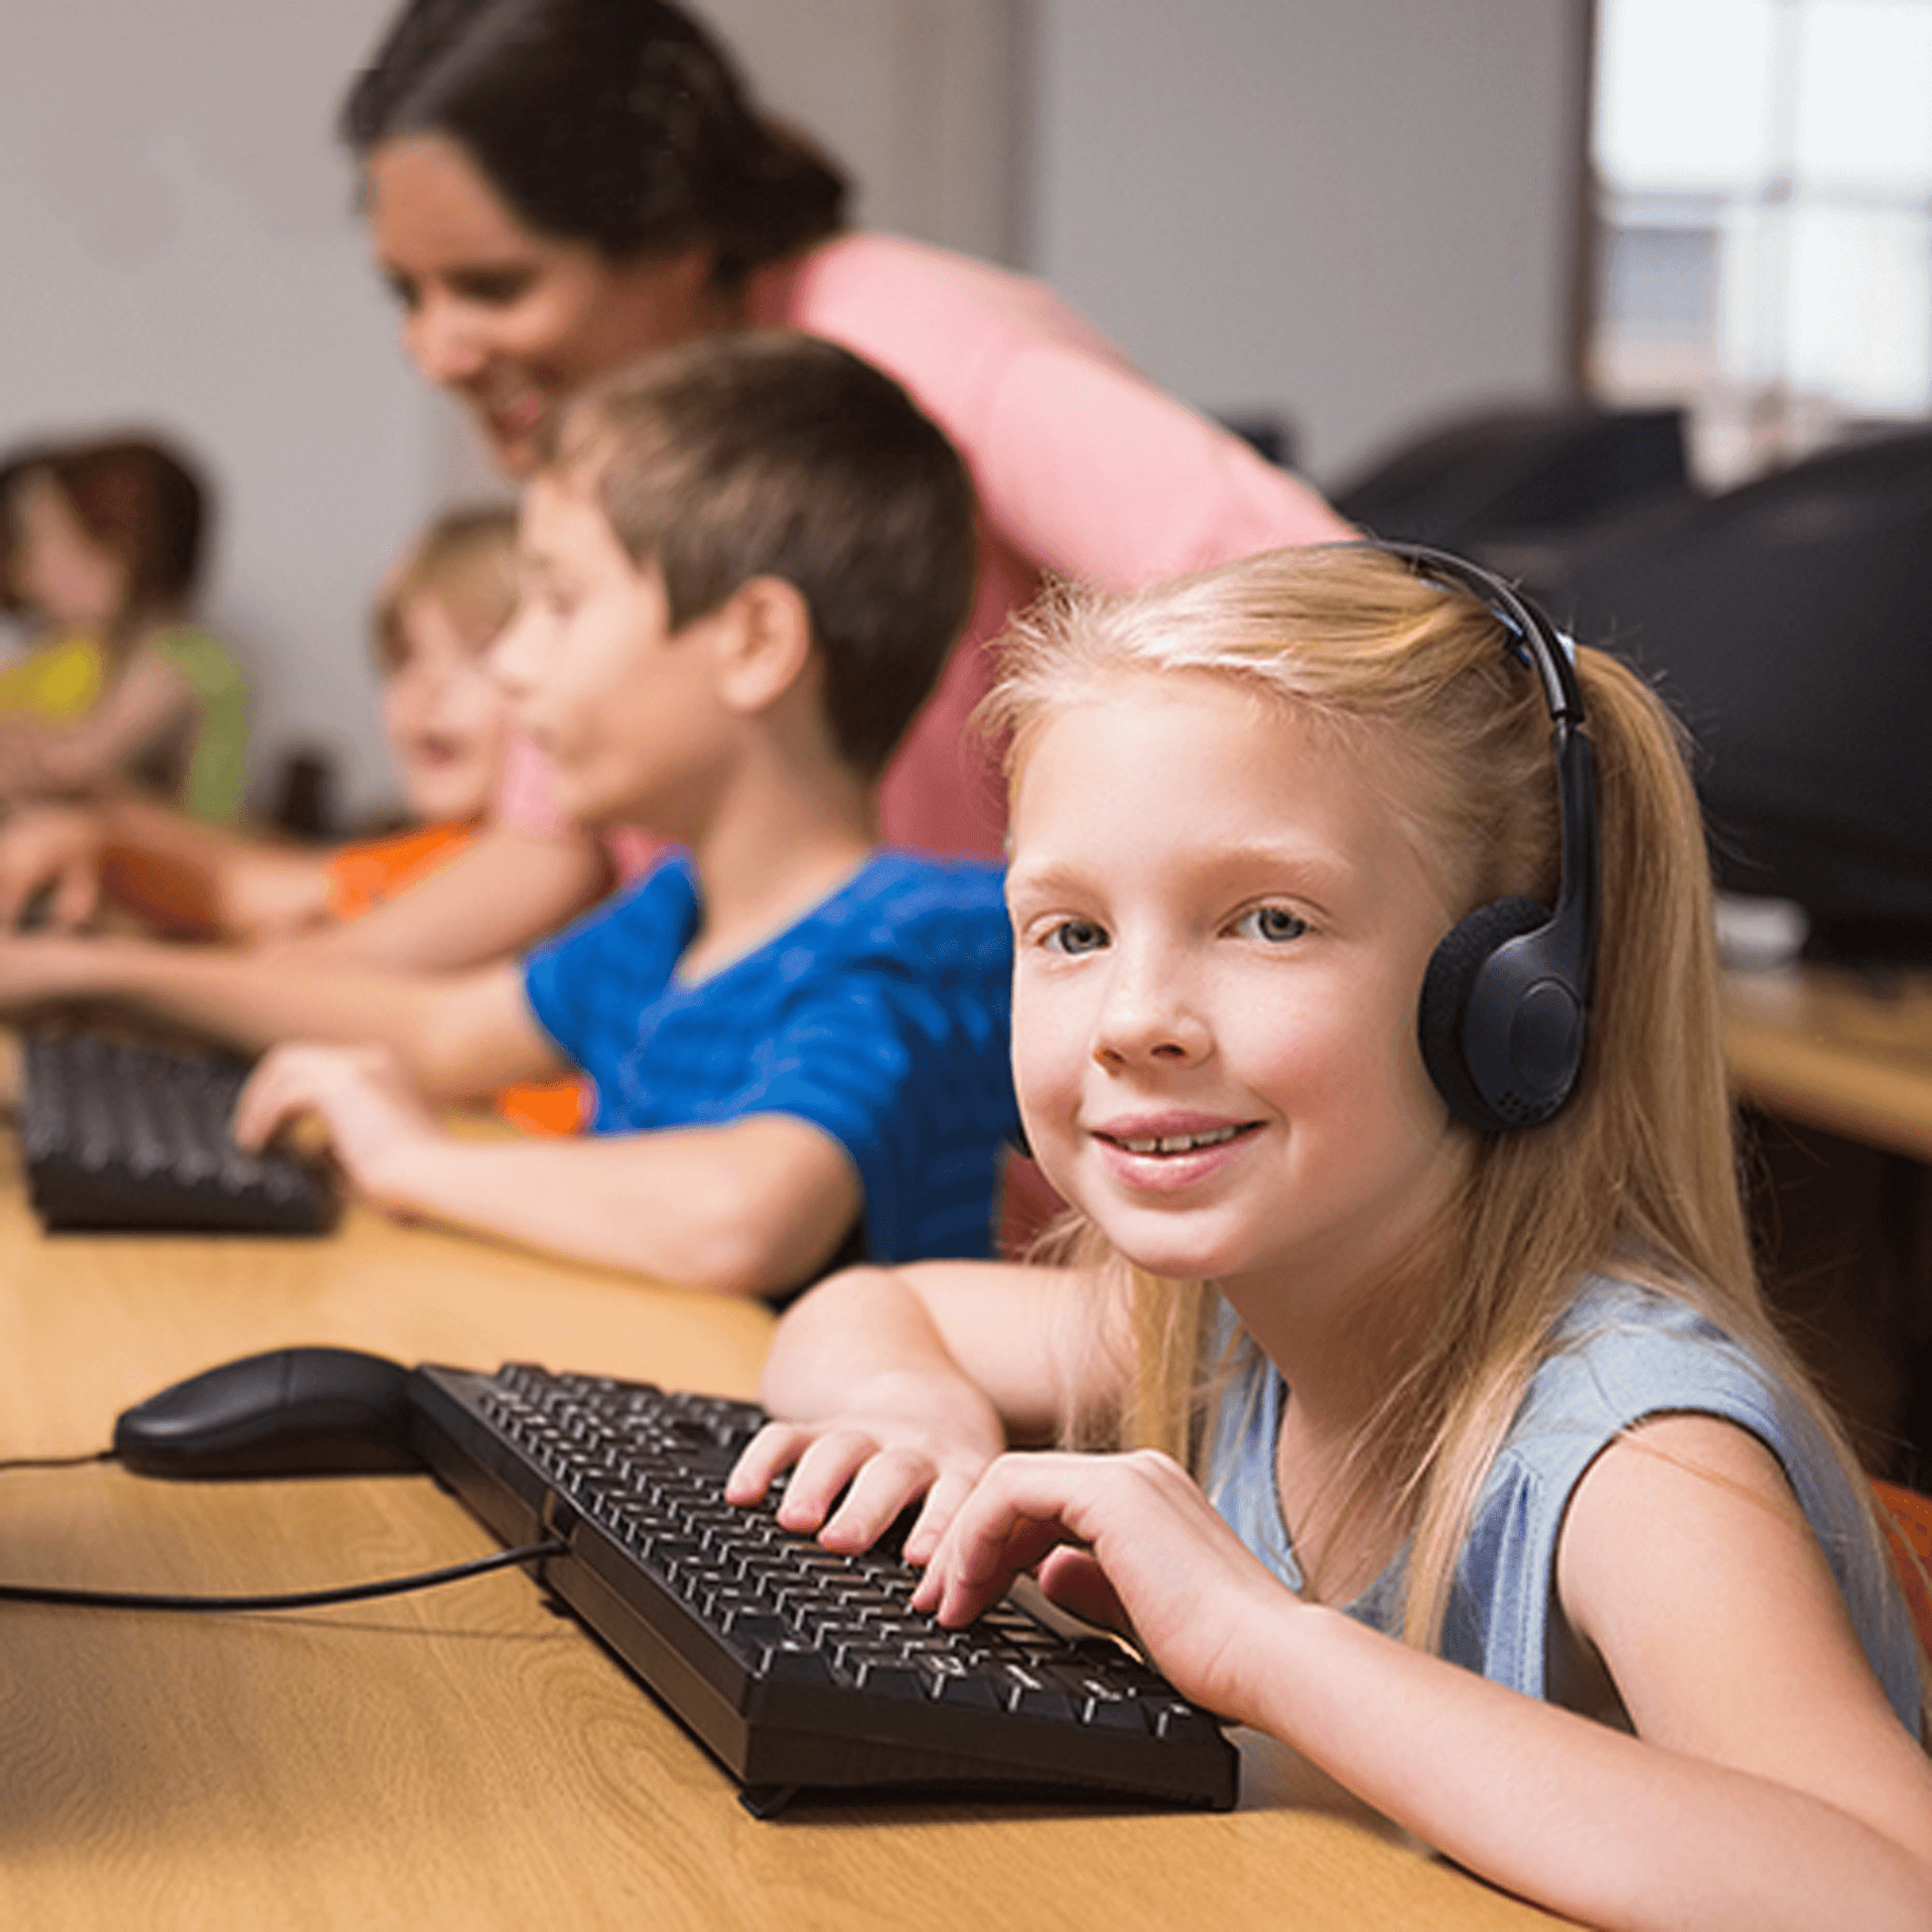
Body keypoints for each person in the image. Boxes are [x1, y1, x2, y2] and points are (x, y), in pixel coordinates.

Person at [724, 544, 1932, 1926]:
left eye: (1268, 921)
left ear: (1508, 995)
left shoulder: (1628, 1450)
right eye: (1068, 932)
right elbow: (876, 1309)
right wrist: (910, 1413)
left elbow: (1885, 1888)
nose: (1132, 1016)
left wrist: (1255, 1640)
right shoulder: (1224, 1319)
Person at [126, 0, 1343, 986]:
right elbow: (542, 857)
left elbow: (1339, 611)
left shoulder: (912, 344)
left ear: (673, 241)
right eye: (409, 294)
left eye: (491, 287)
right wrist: (236, 995)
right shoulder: (610, 434)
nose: (435, 350)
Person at [5, 335, 1019, 1297]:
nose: (513, 664)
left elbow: (741, 1212)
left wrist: (412, 1159)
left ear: (753, 641)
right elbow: (442, 1029)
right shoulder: (674, 913)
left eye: (560, 604)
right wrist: (97, 976)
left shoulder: (916, 939)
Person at [0, 435, 248, 822]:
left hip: (193, 876)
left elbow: (68, 767)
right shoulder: (110, 652)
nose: (29, 575)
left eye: (52, 544)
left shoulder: (186, 659)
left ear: (122, 548)